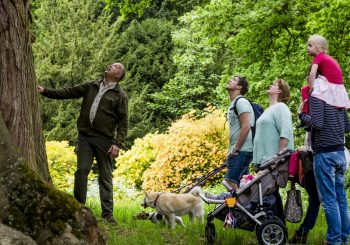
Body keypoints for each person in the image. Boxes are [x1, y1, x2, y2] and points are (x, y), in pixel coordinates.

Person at [37, 62, 128, 224]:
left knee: (105, 177)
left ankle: (108, 215)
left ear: (118, 75)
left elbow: (123, 122)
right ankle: (79, 208)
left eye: (114, 66)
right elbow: (69, 92)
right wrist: (45, 91)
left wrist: (117, 143)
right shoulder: (91, 85)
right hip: (85, 137)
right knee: (81, 171)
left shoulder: (120, 95)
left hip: (105, 141)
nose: (109, 66)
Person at [298, 38, 350, 243]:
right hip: (339, 153)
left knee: (329, 201)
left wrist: (302, 115)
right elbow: (347, 126)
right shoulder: (338, 94)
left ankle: (334, 240)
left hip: (325, 154)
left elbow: (317, 124)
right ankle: (344, 239)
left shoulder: (317, 94)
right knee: (341, 199)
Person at [253, 78, 294, 224]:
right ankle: (275, 227)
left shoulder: (281, 107)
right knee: (271, 194)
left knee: (271, 193)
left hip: (273, 161)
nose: (270, 85)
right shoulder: (268, 110)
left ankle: (276, 227)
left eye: (274, 84)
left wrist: (278, 157)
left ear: (280, 91)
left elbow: (285, 132)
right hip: (263, 161)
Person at [222, 75, 254, 191]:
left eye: (234, 80)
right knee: (243, 184)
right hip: (238, 151)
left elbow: (246, 126)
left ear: (239, 87)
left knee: (230, 181)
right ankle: (247, 207)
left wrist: (236, 149)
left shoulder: (241, 102)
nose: (229, 80)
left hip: (242, 150)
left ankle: (240, 208)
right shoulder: (233, 104)